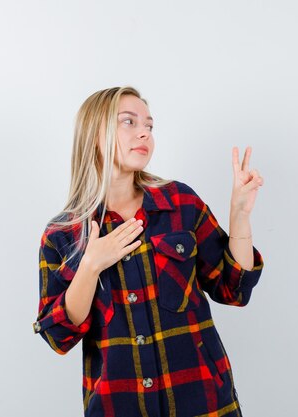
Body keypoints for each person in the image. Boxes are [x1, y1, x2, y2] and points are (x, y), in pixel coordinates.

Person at [32, 86, 265, 416]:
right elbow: (58, 336)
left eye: (149, 126)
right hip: (118, 406)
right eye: (129, 122)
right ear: (94, 134)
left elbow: (234, 288)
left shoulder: (179, 203)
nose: (144, 132)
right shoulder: (63, 235)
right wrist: (91, 266)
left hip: (204, 403)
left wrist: (240, 214)